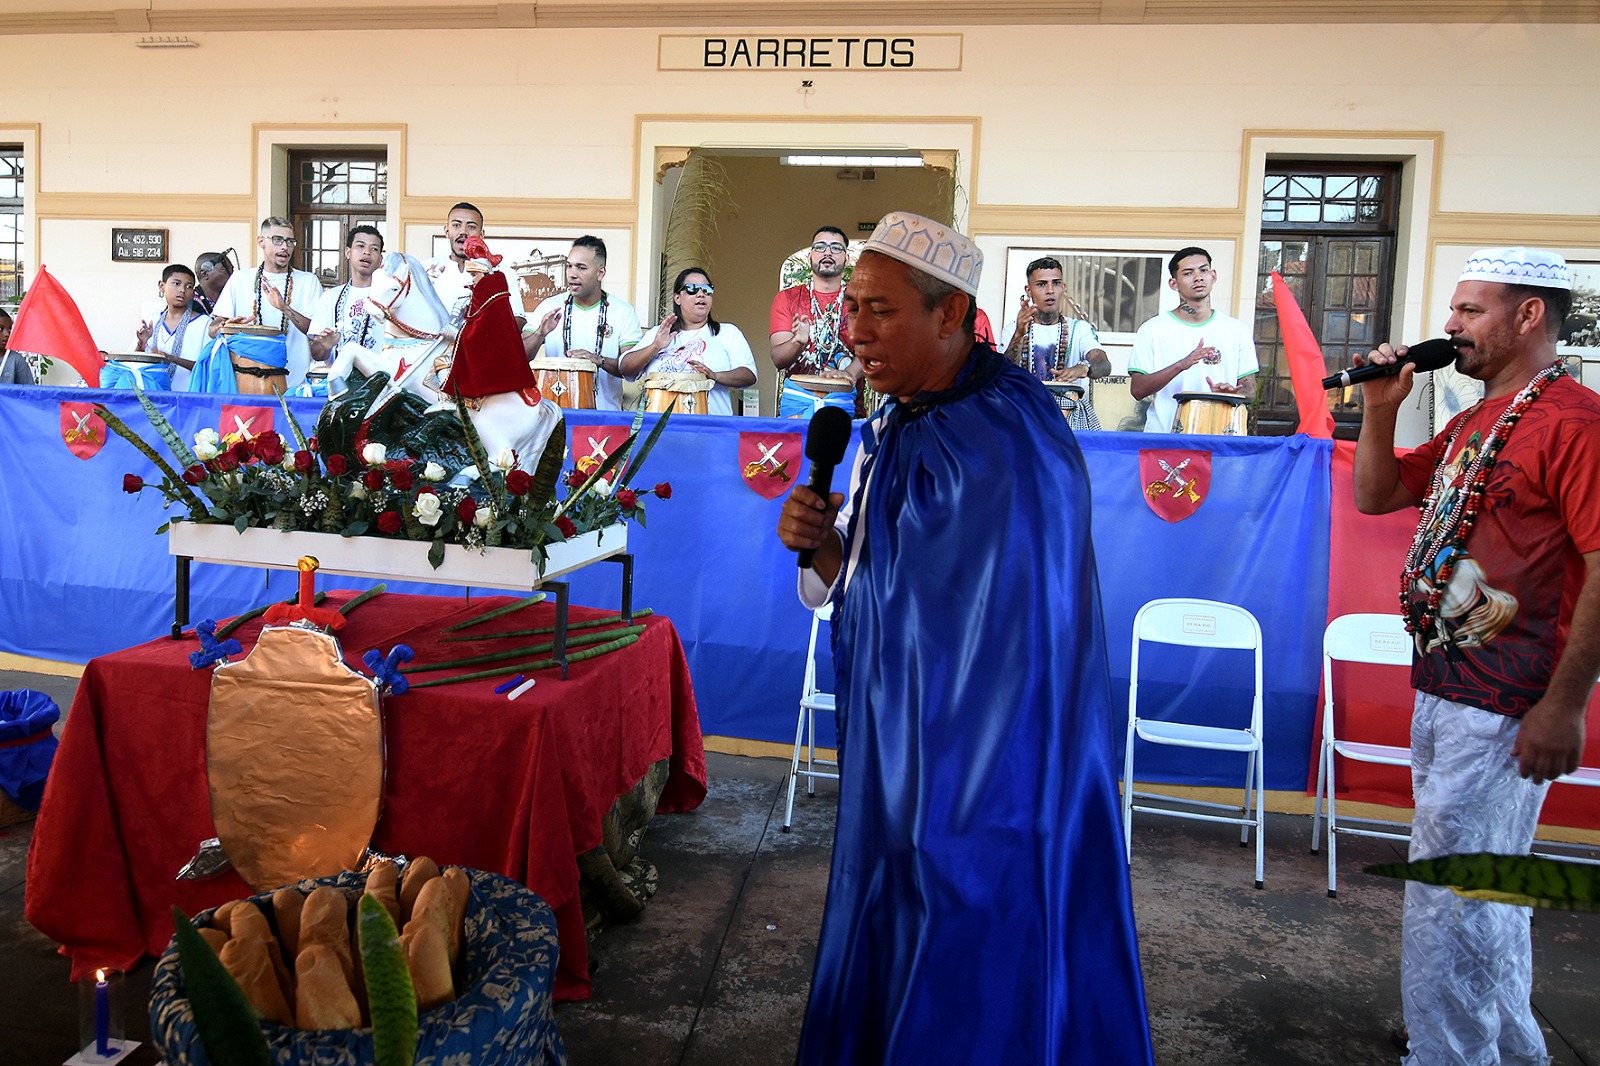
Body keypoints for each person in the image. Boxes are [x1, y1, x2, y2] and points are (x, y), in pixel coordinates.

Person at [773, 211, 1152, 1065]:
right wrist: (824, 545)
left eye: (880, 310)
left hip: (999, 770)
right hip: (902, 751)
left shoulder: (1016, 433)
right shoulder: (896, 425)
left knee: (978, 928)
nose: (853, 330)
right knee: (902, 908)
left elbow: (1022, 625)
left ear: (951, 316)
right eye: (852, 306)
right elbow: (870, 591)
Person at [1352, 247, 1600, 1066]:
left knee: (1452, 890)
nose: (1449, 326)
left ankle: (1448, 1053)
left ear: (1529, 317)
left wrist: (1563, 705)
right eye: (1454, 310)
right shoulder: (1473, 419)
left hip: (1507, 696)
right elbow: (1378, 494)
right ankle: (1505, 1045)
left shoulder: (1574, 423)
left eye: (1469, 311)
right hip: (1446, 682)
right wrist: (1384, 407)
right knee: (1485, 887)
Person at [1128, 246, 1257, 433]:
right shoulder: (1152, 330)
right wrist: (1181, 365)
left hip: (1221, 440)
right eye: (1188, 273)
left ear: (1214, 276)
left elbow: (1250, 389)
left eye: (1203, 270)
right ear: (1173, 283)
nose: (1198, 277)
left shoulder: (1237, 330)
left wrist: (1233, 394)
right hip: (1164, 439)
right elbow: (1138, 390)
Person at [523, 235, 642, 410]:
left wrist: (598, 360)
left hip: (604, 420)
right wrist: (540, 333)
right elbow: (520, 357)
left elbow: (631, 369)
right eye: (569, 266)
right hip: (554, 422)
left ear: (600, 273)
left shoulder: (623, 312)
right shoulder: (548, 307)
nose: (572, 274)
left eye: (581, 267)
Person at [620, 267, 756, 417]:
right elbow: (625, 368)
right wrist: (655, 346)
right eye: (692, 289)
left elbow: (748, 375)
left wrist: (715, 376)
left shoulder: (727, 333)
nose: (701, 294)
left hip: (712, 429)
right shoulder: (658, 333)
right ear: (677, 298)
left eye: (707, 289)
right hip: (658, 431)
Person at [207, 217, 323, 391]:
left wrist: (284, 308)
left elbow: (316, 333)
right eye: (277, 240)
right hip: (244, 384)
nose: (285, 247)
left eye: (290, 241)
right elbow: (212, 329)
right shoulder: (240, 279)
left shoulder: (308, 281)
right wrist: (226, 326)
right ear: (261, 241)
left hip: (293, 386)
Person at [1002, 255, 1111, 432]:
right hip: (1023, 416)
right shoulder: (1012, 330)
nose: (1050, 290)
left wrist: (1085, 369)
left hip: (1071, 420)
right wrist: (1019, 335)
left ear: (1063, 287)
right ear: (1028, 290)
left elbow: (1104, 365)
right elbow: (1002, 373)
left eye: (1056, 283)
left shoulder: (1080, 329)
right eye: (1041, 284)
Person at [770, 225, 863, 418]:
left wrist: (851, 374)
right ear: (810, 256)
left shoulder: (862, 300)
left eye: (836, 248)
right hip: (797, 408)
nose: (827, 252)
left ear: (847, 259)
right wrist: (798, 341)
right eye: (820, 247)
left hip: (847, 406)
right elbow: (779, 360)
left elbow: (875, 348)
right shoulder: (787, 298)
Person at [427, 202, 525, 330]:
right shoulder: (427, 268)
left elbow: (518, 320)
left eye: (471, 227)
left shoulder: (501, 272)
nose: (463, 231)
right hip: (435, 348)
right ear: (447, 231)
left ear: (481, 234)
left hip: (480, 349)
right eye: (456, 225)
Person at [309, 225, 384, 364]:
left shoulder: (389, 299)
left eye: (374, 249)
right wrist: (324, 345)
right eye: (360, 246)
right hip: (340, 381)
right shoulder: (330, 298)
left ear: (380, 259)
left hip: (382, 380)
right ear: (348, 252)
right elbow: (317, 355)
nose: (367, 252)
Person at [132, 263, 209, 391]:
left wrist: (170, 358)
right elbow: (133, 363)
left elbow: (208, 368)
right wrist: (141, 344)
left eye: (189, 286)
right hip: (151, 398)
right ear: (162, 286)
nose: (182, 290)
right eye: (176, 284)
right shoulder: (153, 319)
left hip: (188, 400)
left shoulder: (204, 324)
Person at [191, 251, 233, 316]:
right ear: (204, 274)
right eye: (223, 269)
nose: (231, 274)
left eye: (232, 270)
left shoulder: (230, 299)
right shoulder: (191, 304)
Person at [0, 308, 34, 385]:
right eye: (0, 329)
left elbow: (28, 391)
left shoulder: (15, 360)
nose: (7, 334)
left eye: (9, 330)